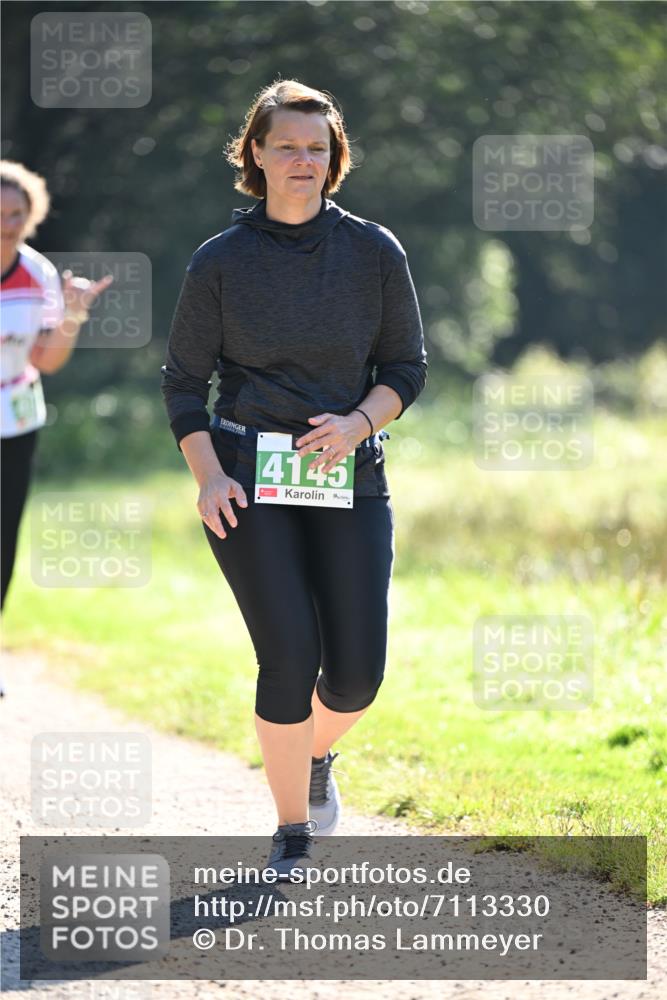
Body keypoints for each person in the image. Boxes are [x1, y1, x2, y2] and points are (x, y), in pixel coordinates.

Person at [160, 79, 427, 879]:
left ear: (333, 157)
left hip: (349, 478)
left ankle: (309, 756)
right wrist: (208, 478)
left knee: (354, 678)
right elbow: (183, 385)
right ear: (256, 154)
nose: (301, 160)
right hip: (248, 474)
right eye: (286, 145)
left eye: (316, 147)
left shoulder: (374, 251)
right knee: (287, 656)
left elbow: (405, 368)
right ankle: (291, 832)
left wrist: (358, 423)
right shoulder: (220, 261)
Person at [0, 161, 112, 683]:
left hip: (15, 419)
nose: (7, 223)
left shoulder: (38, 273)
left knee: (3, 537)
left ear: (31, 215)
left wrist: (72, 314)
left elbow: (46, 360)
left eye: (16, 213)